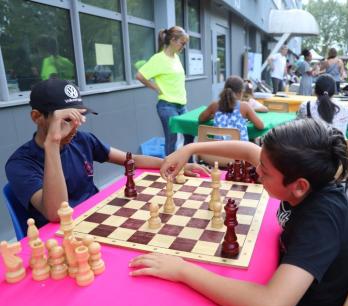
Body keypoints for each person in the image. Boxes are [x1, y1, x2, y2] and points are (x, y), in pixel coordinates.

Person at [129, 119, 348, 306]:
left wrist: (182, 269)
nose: (256, 171)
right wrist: (190, 149)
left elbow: (271, 304)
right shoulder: (300, 173)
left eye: (265, 172)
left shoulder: (322, 219)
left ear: (299, 186)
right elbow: (248, 150)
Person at [4, 79, 209, 228]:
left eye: (79, 117)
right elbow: (57, 213)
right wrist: (53, 143)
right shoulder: (20, 164)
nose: (74, 127)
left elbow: (132, 159)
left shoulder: (83, 140)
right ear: (37, 117)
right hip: (62, 235)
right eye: (66, 120)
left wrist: (172, 163)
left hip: (97, 217)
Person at [136, 26, 194, 156]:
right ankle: (169, 171)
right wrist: (155, 87)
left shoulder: (176, 58)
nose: (183, 47)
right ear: (173, 40)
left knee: (190, 135)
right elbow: (140, 76)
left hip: (182, 106)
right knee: (172, 140)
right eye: (182, 43)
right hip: (167, 106)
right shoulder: (158, 59)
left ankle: (188, 165)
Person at [198, 76, 264, 141]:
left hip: (219, 149)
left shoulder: (214, 105)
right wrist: (249, 117)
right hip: (240, 150)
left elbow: (201, 119)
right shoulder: (245, 106)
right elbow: (261, 126)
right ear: (241, 92)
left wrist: (212, 116)